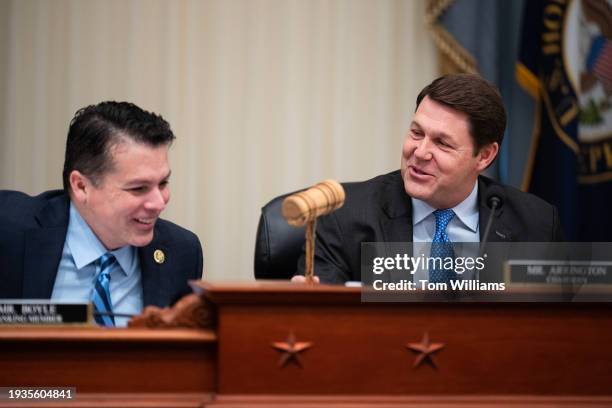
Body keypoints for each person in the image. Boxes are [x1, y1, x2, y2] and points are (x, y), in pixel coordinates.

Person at [294, 74, 563, 284]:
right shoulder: (344, 217)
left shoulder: (535, 223)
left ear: (484, 156)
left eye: (442, 143)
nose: (420, 152)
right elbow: (324, 316)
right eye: (416, 133)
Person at [0, 101, 203, 326]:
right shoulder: (9, 231)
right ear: (81, 186)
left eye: (163, 183)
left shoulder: (181, 253)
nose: (159, 203)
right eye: (138, 188)